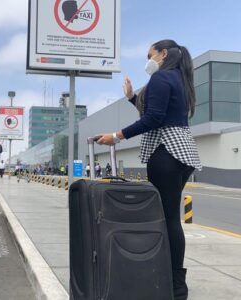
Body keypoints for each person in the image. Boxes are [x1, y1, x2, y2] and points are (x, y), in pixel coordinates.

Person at [96, 40, 201, 300]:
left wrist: (116, 136)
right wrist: (132, 98)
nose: (148, 60)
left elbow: (153, 119)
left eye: (149, 54)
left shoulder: (161, 78)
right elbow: (158, 112)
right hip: (183, 152)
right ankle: (175, 281)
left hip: (165, 152)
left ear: (163, 54)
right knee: (170, 218)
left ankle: (175, 286)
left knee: (167, 220)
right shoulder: (180, 79)